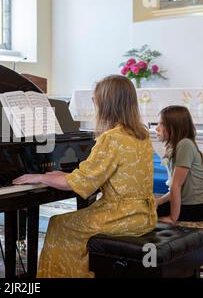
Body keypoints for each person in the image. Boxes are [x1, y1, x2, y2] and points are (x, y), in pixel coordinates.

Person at [13, 75, 157, 278]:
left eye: (96, 100)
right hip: (144, 214)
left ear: (107, 104)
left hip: (121, 216)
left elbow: (81, 182)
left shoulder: (111, 138)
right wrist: (64, 174)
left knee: (59, 224)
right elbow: (97, 174)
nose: (95, 104)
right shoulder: (141, 134)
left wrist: (41, 177)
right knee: (70, 224)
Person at [155, 105, 203, 223]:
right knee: (150, 208)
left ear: (174, 126)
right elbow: (176, 188)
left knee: (144, 213)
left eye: (161, 124)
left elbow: (176, 186)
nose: (157, 128)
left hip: (198, 208)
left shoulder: (184, 144)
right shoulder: (178, 145)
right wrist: (158, 201)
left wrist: (172, 218)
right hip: (192, 204)